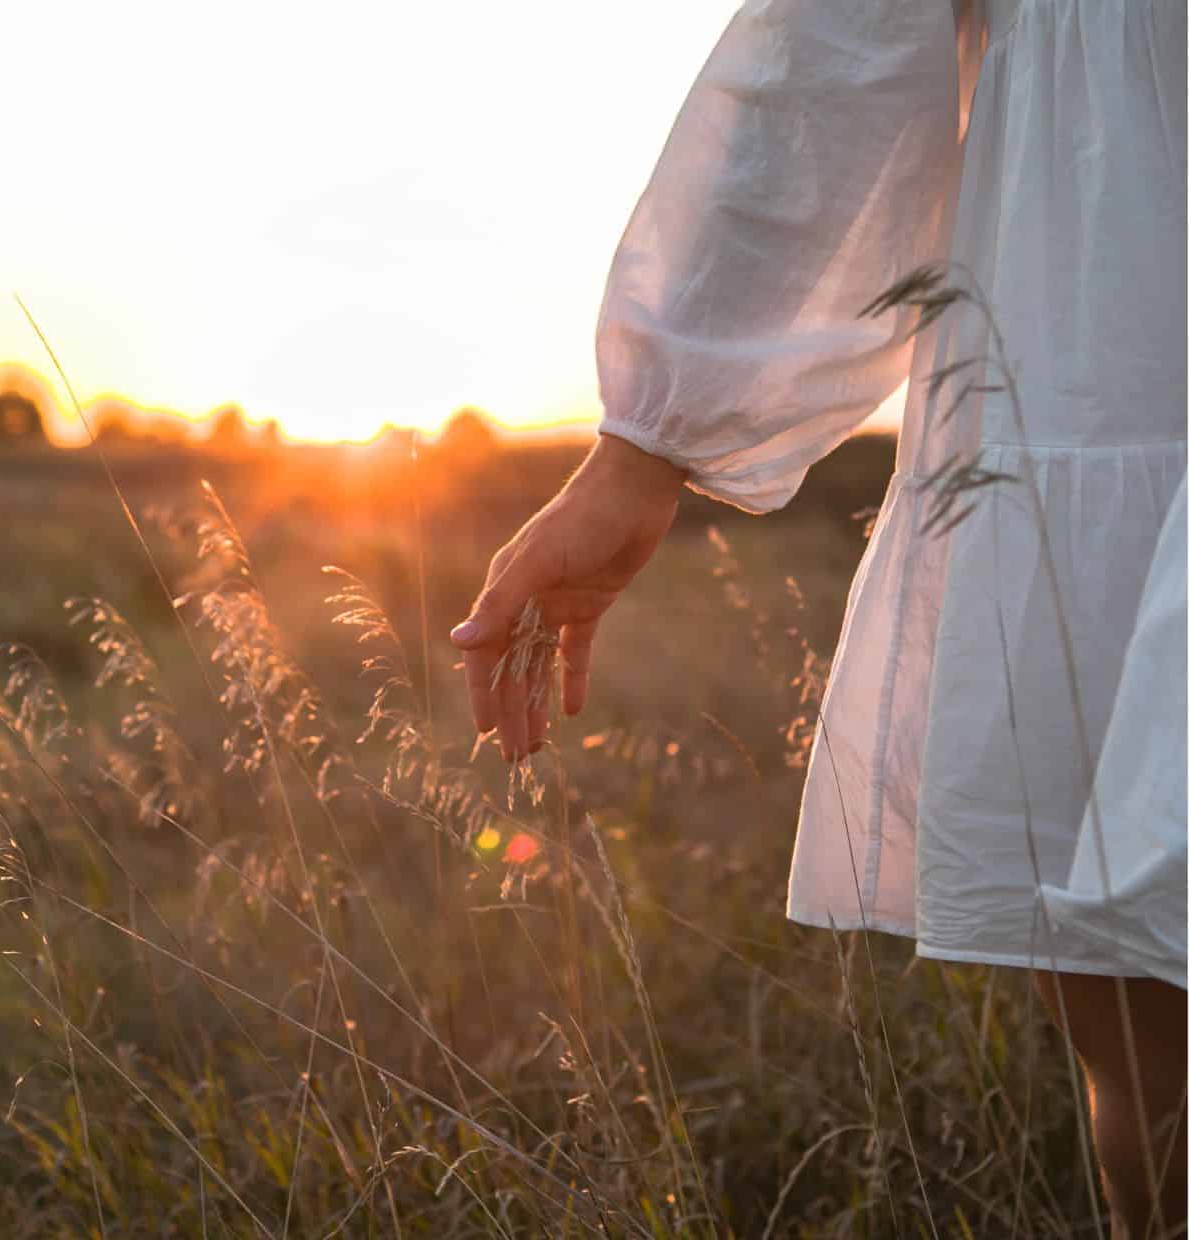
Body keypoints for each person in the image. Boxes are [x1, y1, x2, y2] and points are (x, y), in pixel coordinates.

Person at [448, 1, 1186, 1233]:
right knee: (1151, 1028)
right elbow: (838, 43)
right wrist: (643, 450)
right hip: (1112, 346)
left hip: (1099, 360)